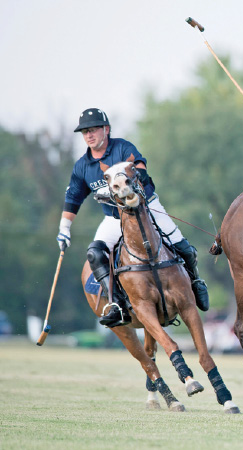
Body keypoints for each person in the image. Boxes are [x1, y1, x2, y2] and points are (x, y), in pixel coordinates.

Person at [57, 108, 210, 327]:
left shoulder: (122, 147)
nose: (89, 135)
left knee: (183, 247)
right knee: (94, 253)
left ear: (106, 129)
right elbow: (73, 197)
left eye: (93, 130)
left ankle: (195, 282)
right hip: (114, 218)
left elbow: (140, 167)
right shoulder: (82, 166)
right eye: (85, 132)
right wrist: (64, 227)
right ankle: (116, 304)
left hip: (146, 208)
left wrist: (134, 178)